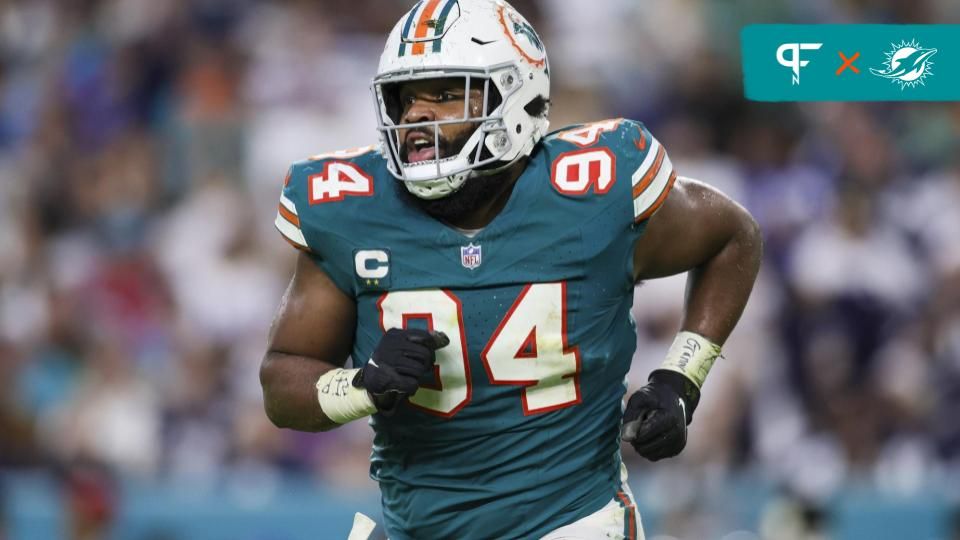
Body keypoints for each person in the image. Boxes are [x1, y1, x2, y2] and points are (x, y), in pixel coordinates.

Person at [260, 1, 762, 538]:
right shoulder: (352, 208)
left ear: (516, 96)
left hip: (572, 522)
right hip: (419, 528)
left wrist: (681, 379)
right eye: (407, 99)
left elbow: (734, 236)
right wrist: (359, 386)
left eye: (448, 94)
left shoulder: (591, 191)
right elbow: (282, 381)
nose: (417, 117)